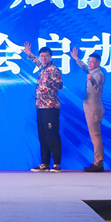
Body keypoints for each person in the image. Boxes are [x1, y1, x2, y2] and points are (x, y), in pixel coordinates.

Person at [24, 43, 64, 172]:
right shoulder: (42, 67)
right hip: (40, 106)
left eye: (46, 56)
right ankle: (44, 163)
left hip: (50, 107)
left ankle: (56, 164)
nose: (43, 58)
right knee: (43, 135)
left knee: (52, 134)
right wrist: (29, 53)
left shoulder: (54, 69)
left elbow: (60, 86)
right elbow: (36, 61)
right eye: (42, 56)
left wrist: (49, 81)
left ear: (50, 57)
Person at [70, 47, 105, 172]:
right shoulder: (92, 72)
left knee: (95, 136)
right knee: (94, 135)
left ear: (98, 63)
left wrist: (92, 80)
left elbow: (98, 87)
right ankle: (98, 161)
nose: (89, 64)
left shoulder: (99, 74)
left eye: (92, 62)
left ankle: (98, 163)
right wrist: (76, 58)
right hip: (90, 108)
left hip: (94, 109)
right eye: (89, 61)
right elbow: (85, 67)